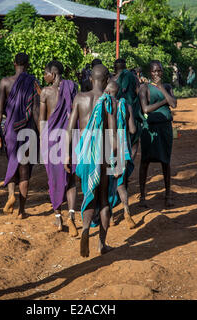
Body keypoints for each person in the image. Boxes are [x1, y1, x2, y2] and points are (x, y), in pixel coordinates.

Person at [65, 64, 118, 257]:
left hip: (85, 155)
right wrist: (115, 158)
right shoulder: (109, 101)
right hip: (102, 156)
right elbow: (113, 134)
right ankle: (101, 244)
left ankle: (86, 227)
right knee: (104, 199)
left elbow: (70, 128)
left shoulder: (79, 98)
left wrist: (67, 154)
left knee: (88, 192)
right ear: (106, 80)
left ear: (91, 79)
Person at [0, 53, 40, 219]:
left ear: (14, 63)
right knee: (24, 170)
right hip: (28, 130)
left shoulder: (5, 82)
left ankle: (10, 195)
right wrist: (41, 133)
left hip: (11, 130)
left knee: (12, 162)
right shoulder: (33, 82)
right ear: (27, 65)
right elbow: (35, 111)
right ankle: (22, 210)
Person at [39, 60, 79, 236]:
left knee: (54, 179)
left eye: (45, 73)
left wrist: (41, 141)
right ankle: (71, 216)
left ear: (53, 74)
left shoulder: (46, 92)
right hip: (70, 139)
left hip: (52, 140)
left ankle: (58, 217)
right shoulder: (73, 87)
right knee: (70, 178)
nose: (44, 76)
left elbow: (42, 121)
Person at [138, 60, 177, 208]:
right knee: (145, 161)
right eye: (154, 71)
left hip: (165, 128)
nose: (157, 74)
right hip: (150, 129)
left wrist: (162, 88)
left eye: (159, 71)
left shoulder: (167, 86)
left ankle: (168, 195)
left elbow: (173, 103)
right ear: (150, 72)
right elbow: (146, 109)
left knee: (165, 161)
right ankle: (142, 196)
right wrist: (163, 102)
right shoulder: (144, 88)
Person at [104, 81, 137, 229]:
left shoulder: (104, 107)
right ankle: (126, 212)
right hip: (123, 148)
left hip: (109, 148)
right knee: (121, 184)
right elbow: (133, 130)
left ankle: (110, 217)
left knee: (109, 184)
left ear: (108, 92)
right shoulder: (126, 106)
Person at [112, 58, 142, 162]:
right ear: (125, 66)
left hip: (115, 114)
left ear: (114, 68)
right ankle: (128, 166)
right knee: (133, 141)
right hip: (131, 112)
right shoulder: (133, 77)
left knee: (117, 139)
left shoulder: (111, 80)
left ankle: (117, 167)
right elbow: (140, 93)